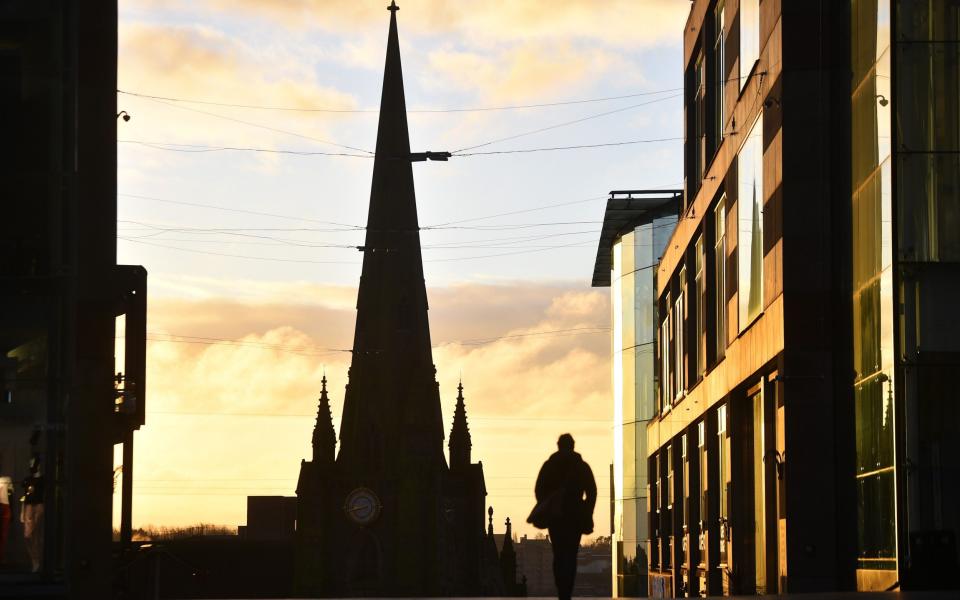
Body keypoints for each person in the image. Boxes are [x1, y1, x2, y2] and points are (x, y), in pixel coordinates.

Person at [533, 434, 597, 600]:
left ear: (558, 445)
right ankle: (566, 591)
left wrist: (548, 503)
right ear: (573, 446)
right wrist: (587, 510)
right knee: (570, 554)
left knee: (559, 554)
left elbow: (539, 489)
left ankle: (562, 591)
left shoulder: (549, 466)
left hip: (556, 516)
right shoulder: (582, 466)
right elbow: (592, 491)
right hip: (575, 516)